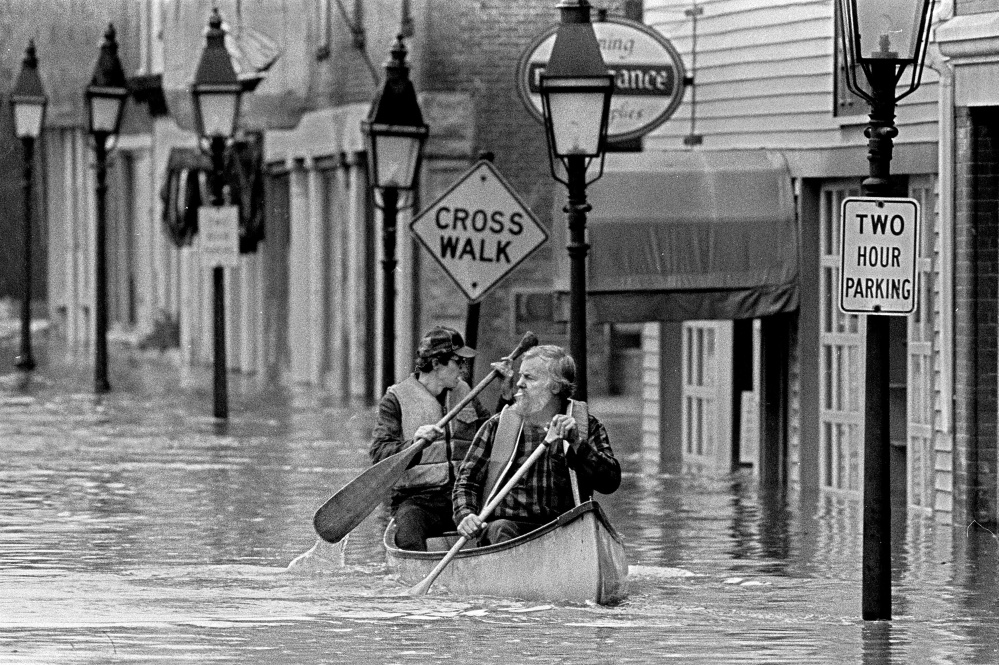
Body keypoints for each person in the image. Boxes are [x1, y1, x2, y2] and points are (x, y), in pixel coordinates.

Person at [452, 344, 621, 546]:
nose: (519, 384)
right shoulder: (496, 426)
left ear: (556, 387)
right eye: (520, 376)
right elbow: (466, 482)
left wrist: (578, 444)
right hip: (507, 531)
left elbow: (610, 482)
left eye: (529, 378)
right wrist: (465, 515)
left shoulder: (587, 426)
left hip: (564, 531)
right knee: (500, 528)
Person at [370, 326, 508, 551]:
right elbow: (379, 455)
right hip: (419, 501)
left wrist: (505, 396)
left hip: (465, 496)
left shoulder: (464, 392)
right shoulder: (395, 399)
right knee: (407, 539)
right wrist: (413, 444)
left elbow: (496, 436)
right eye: (457, 361)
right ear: (436, 363)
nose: (463, 368)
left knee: (502, 527)